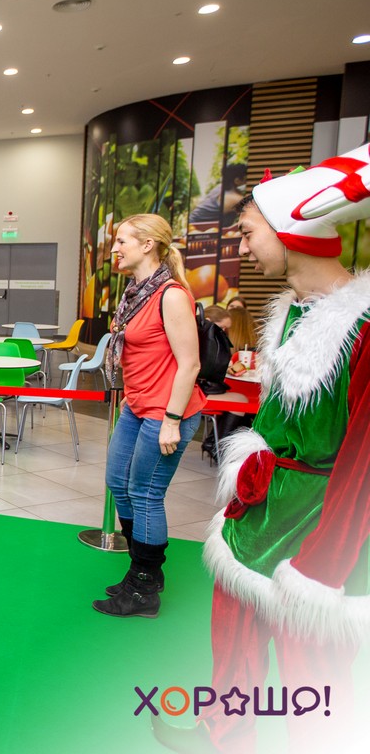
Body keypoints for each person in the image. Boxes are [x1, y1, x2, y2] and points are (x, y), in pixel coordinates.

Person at [156, 145, 370, 753]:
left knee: (315, 671)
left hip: (320, 530)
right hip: (258, 508)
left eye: (249, 233)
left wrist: (326, 564)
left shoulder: (363, 330)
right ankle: (225, 733)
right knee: (233, 639)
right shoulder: (293, 315)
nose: (243, 248)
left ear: (292, 231)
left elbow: (363, 463)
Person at [96, 213, 205, 619]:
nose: (115, 249)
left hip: (167, 411)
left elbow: (190, 364)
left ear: (148, 245)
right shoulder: (135, 293)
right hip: (138, 405)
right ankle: (142, 571)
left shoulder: (170, 295)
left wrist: (172, 421)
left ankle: (143, 587)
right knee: (117, 482)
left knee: (145, 493)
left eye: (122, 241)